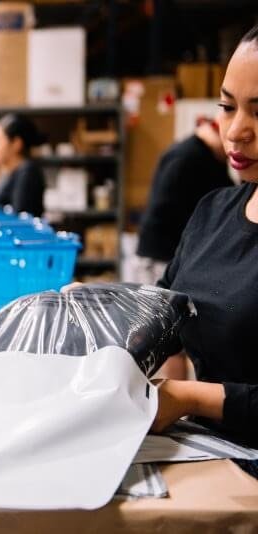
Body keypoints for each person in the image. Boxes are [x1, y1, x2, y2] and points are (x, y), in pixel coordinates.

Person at [141, 26, 258, 462]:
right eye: (228, 107)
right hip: (204, 452)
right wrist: (96, 311)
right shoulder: (215, 212)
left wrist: (191, 397)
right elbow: (164, 314)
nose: (236, 132)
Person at [135, 118, 232, 284]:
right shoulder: (199, 159)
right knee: (161, 306)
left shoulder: (184, 149)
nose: (229, 154)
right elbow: (226, 199)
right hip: (163, 254)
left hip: (154, 250)